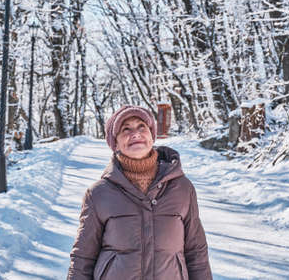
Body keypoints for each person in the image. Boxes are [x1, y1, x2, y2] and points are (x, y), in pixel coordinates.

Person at [67, 105, 212, 280]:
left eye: (141, 127)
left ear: (152, 135)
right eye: (126, 129)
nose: (135, 134)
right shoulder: (99, 194)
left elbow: (196, 251)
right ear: (115, 143)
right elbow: (83, 256)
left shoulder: (182, 188)